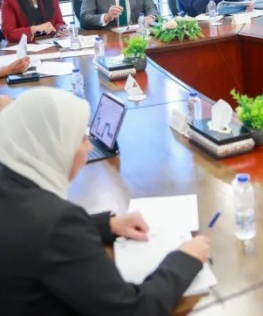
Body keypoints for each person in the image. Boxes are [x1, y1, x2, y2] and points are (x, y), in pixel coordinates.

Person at [0, 87, 210, 316]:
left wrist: (107, 225)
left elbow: (31, 231)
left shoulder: (9, 178)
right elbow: (134, 311)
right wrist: (185, 260)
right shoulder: (57, 223)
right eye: (81, 139)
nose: (89, 147)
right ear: (55, 147)